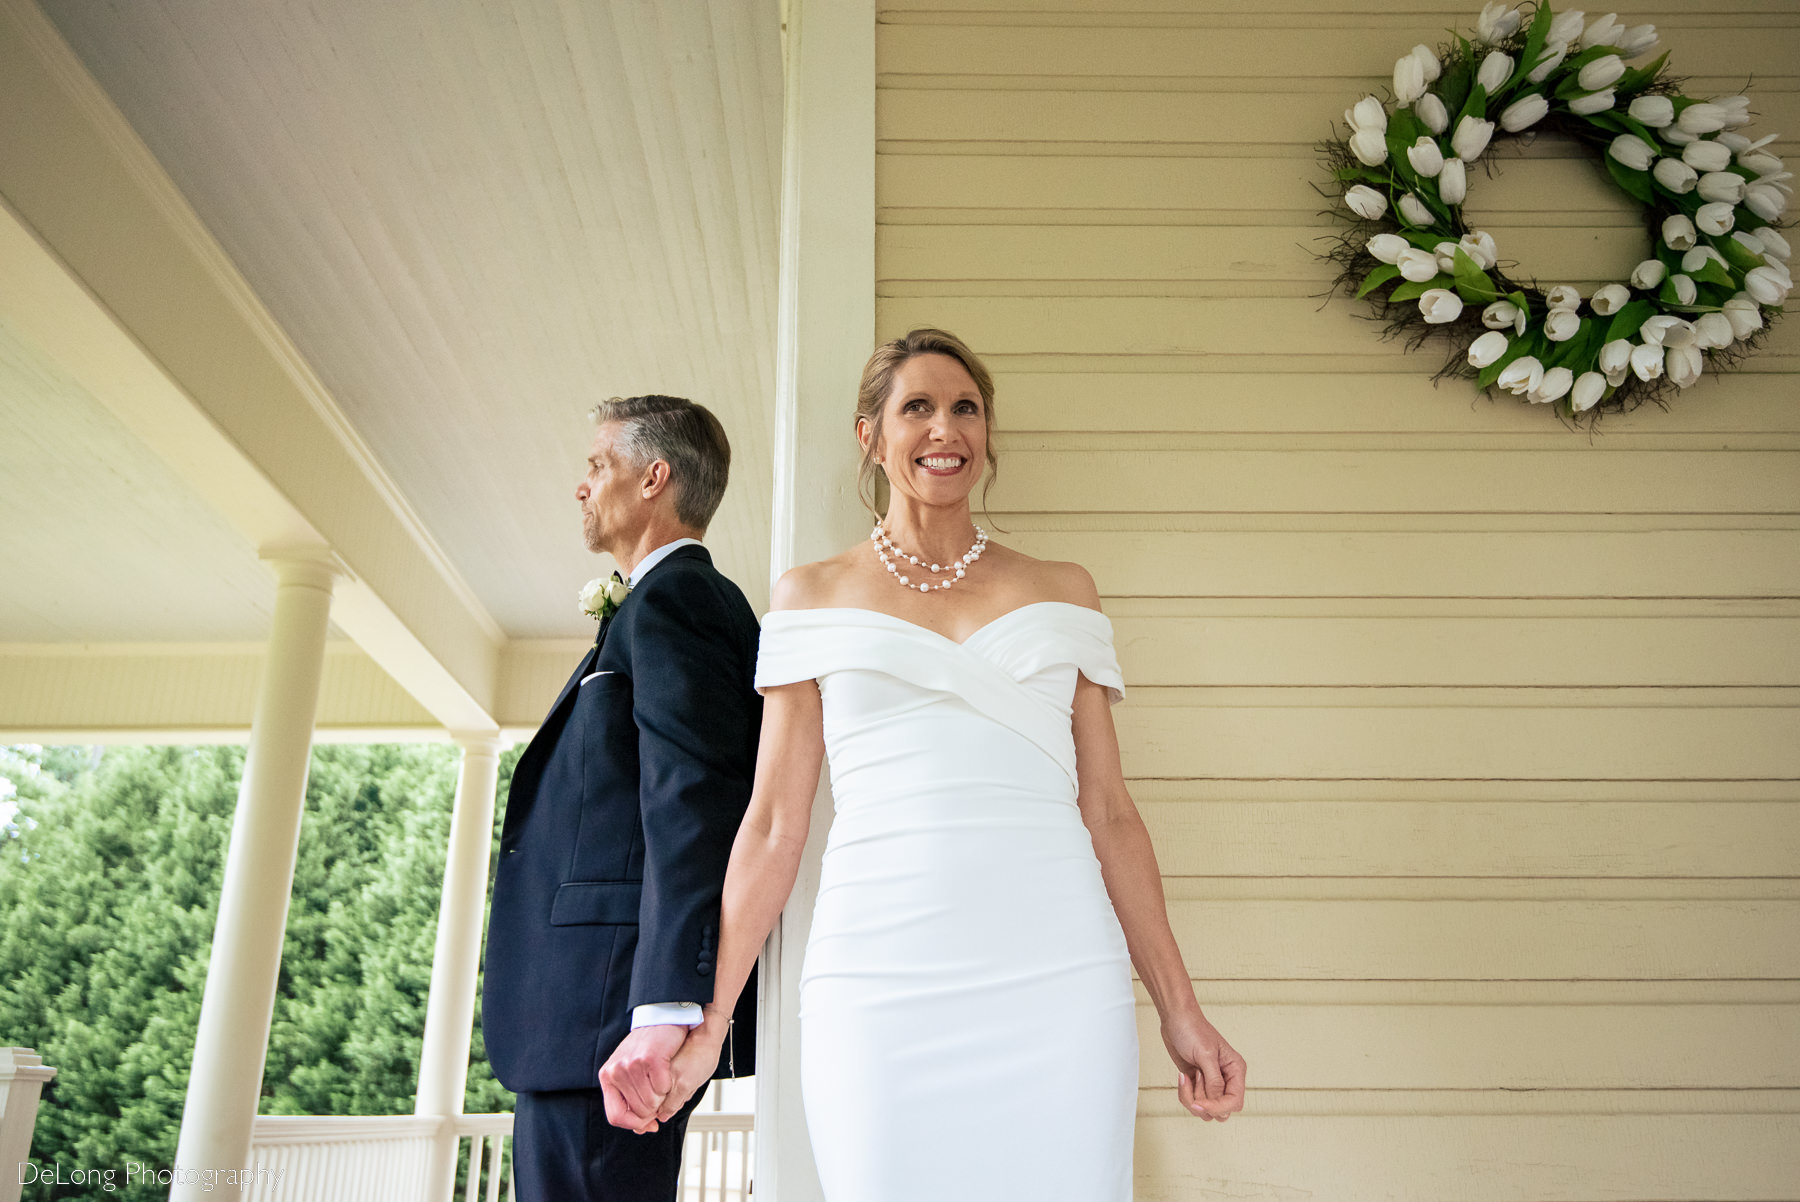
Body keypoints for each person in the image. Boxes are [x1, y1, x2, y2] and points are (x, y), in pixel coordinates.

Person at [603, 331, 1247, 1199]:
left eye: (965, 408)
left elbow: (1112, 813)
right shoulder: (811, 595)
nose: (945, 429)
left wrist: (1181, 1009)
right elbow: (773, 824)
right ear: (870, 435)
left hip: (1058, 977)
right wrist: (711, 1021)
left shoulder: (1066, 590)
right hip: (878, 980)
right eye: (917, 407)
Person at [482, 394, 761, 1202]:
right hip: (582, 1017)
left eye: (597, 465)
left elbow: (693, 802)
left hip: (612, 1019)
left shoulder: (679, 602)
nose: (581, 486)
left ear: (654, 479)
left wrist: (665, 1007)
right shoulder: (645, 607)